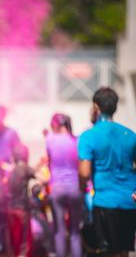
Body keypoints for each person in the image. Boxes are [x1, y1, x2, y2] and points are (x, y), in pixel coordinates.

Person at [78, 87, 136, 257]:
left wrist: (82, 189)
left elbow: (84, 173)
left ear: (95, 107)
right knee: (124, 250)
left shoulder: (89, 136)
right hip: (129, 202)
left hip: (104, 202)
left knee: (107, 251)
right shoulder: (131, 135)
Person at [46, 113, 82, 257]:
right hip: (75, 187)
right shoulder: (77, 140)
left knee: (59, 232)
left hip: (57, 188)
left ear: (55, 124)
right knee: (75, 232)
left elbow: (49, 162)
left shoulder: (50, 139)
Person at [6, 143, 35, 257]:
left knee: (14, 242)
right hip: (22, 211)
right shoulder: (24, 167)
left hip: (10, 210)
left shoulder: (12, 171)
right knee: (24, 244)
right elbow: (41, 176)